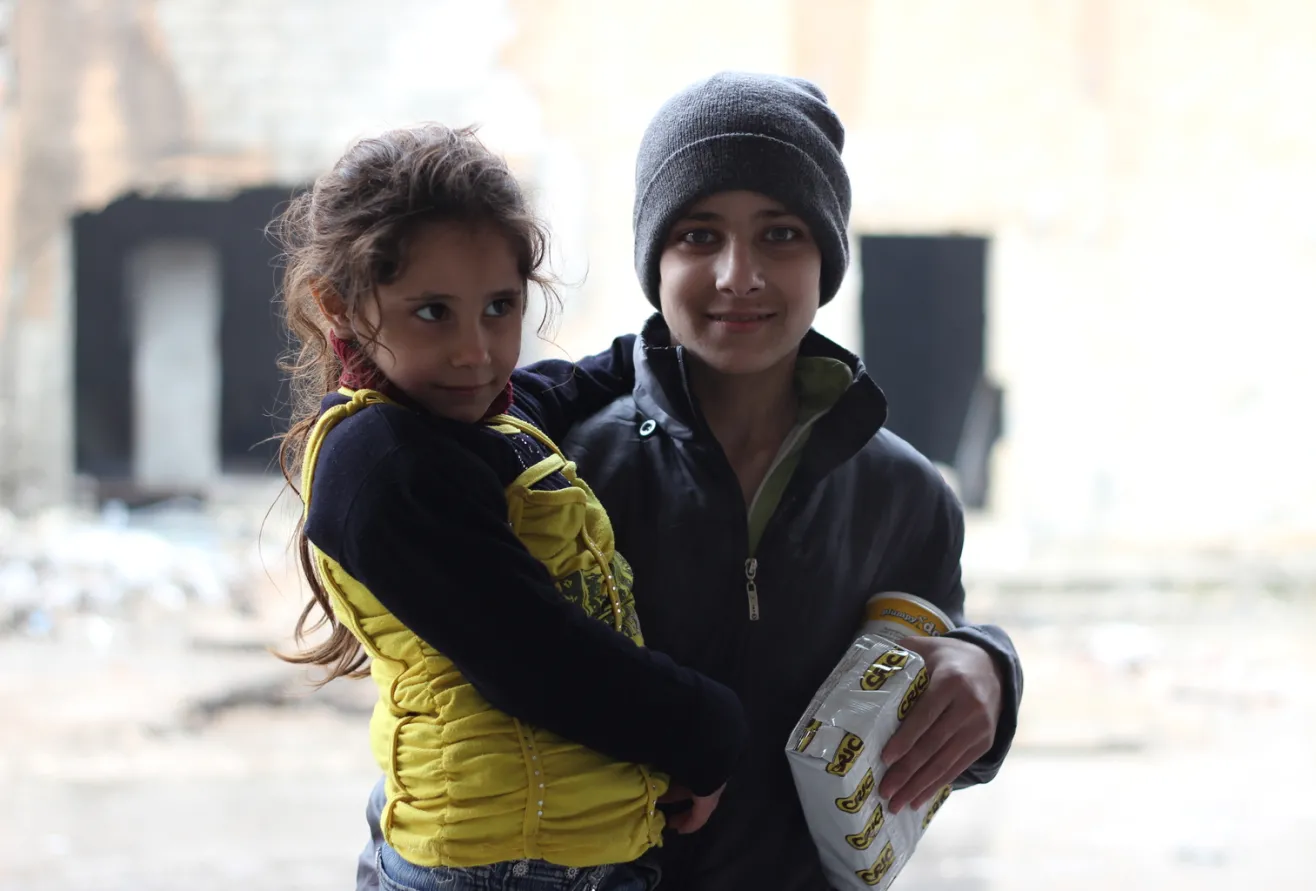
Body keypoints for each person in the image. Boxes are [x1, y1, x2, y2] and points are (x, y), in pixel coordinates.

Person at [357, 73, 1023, 890]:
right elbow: (448, 740)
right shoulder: (549, 467)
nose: (737, 274)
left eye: (780, 234)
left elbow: (907, 720)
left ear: (827, 257)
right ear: (654, 258)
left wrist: (988, 668)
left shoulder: (907, 494)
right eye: (699, 235)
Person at [275, 123, 748, 891]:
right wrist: (708, 730)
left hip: (547, 856)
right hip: (499, 870)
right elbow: (539, 661)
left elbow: (549, 390)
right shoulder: (385, 465)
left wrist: (651, 350)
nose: (478, 350)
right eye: (433, 312)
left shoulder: (463, 418)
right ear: (341, 306)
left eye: (500, 306)